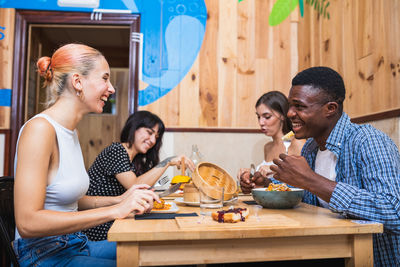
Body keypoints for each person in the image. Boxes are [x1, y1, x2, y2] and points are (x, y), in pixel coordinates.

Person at [13, 43, 159, 267]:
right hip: (43, 254)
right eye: (105, 78)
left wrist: (121, 200)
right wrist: (115, 210)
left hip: (75, 243)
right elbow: (27, 222)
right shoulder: (40, 129)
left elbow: (68, 199)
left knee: (154, 254)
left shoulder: (71, 131)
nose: (111, 88)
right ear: (77, 82)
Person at [270, 66, 400, 266]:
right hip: (325, 251)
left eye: (299, 106)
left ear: (330, 109)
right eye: (290, 106)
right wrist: (268, 183)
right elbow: (312, 205)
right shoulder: (311, 148)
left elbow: (394, 212)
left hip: (370, 258)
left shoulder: (368, 141)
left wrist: (311, 180)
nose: (289, 113)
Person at [83, 110, 195, 241]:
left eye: (156, 137)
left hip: (117, 222)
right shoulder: (116, 150)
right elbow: (134, 186)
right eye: (149, 132)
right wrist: (168, 161)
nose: (153, 140)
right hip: (100, 229)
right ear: (134, 128)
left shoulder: (133, 161)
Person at [238, 91, 304, 194]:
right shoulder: (268, 147)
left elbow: (304, 181)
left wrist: (276, 169)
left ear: (282, 115)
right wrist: (249, 176)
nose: (261, 123)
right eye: (258, 117)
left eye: (267, 117)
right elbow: (265, 183)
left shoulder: (297, 143)